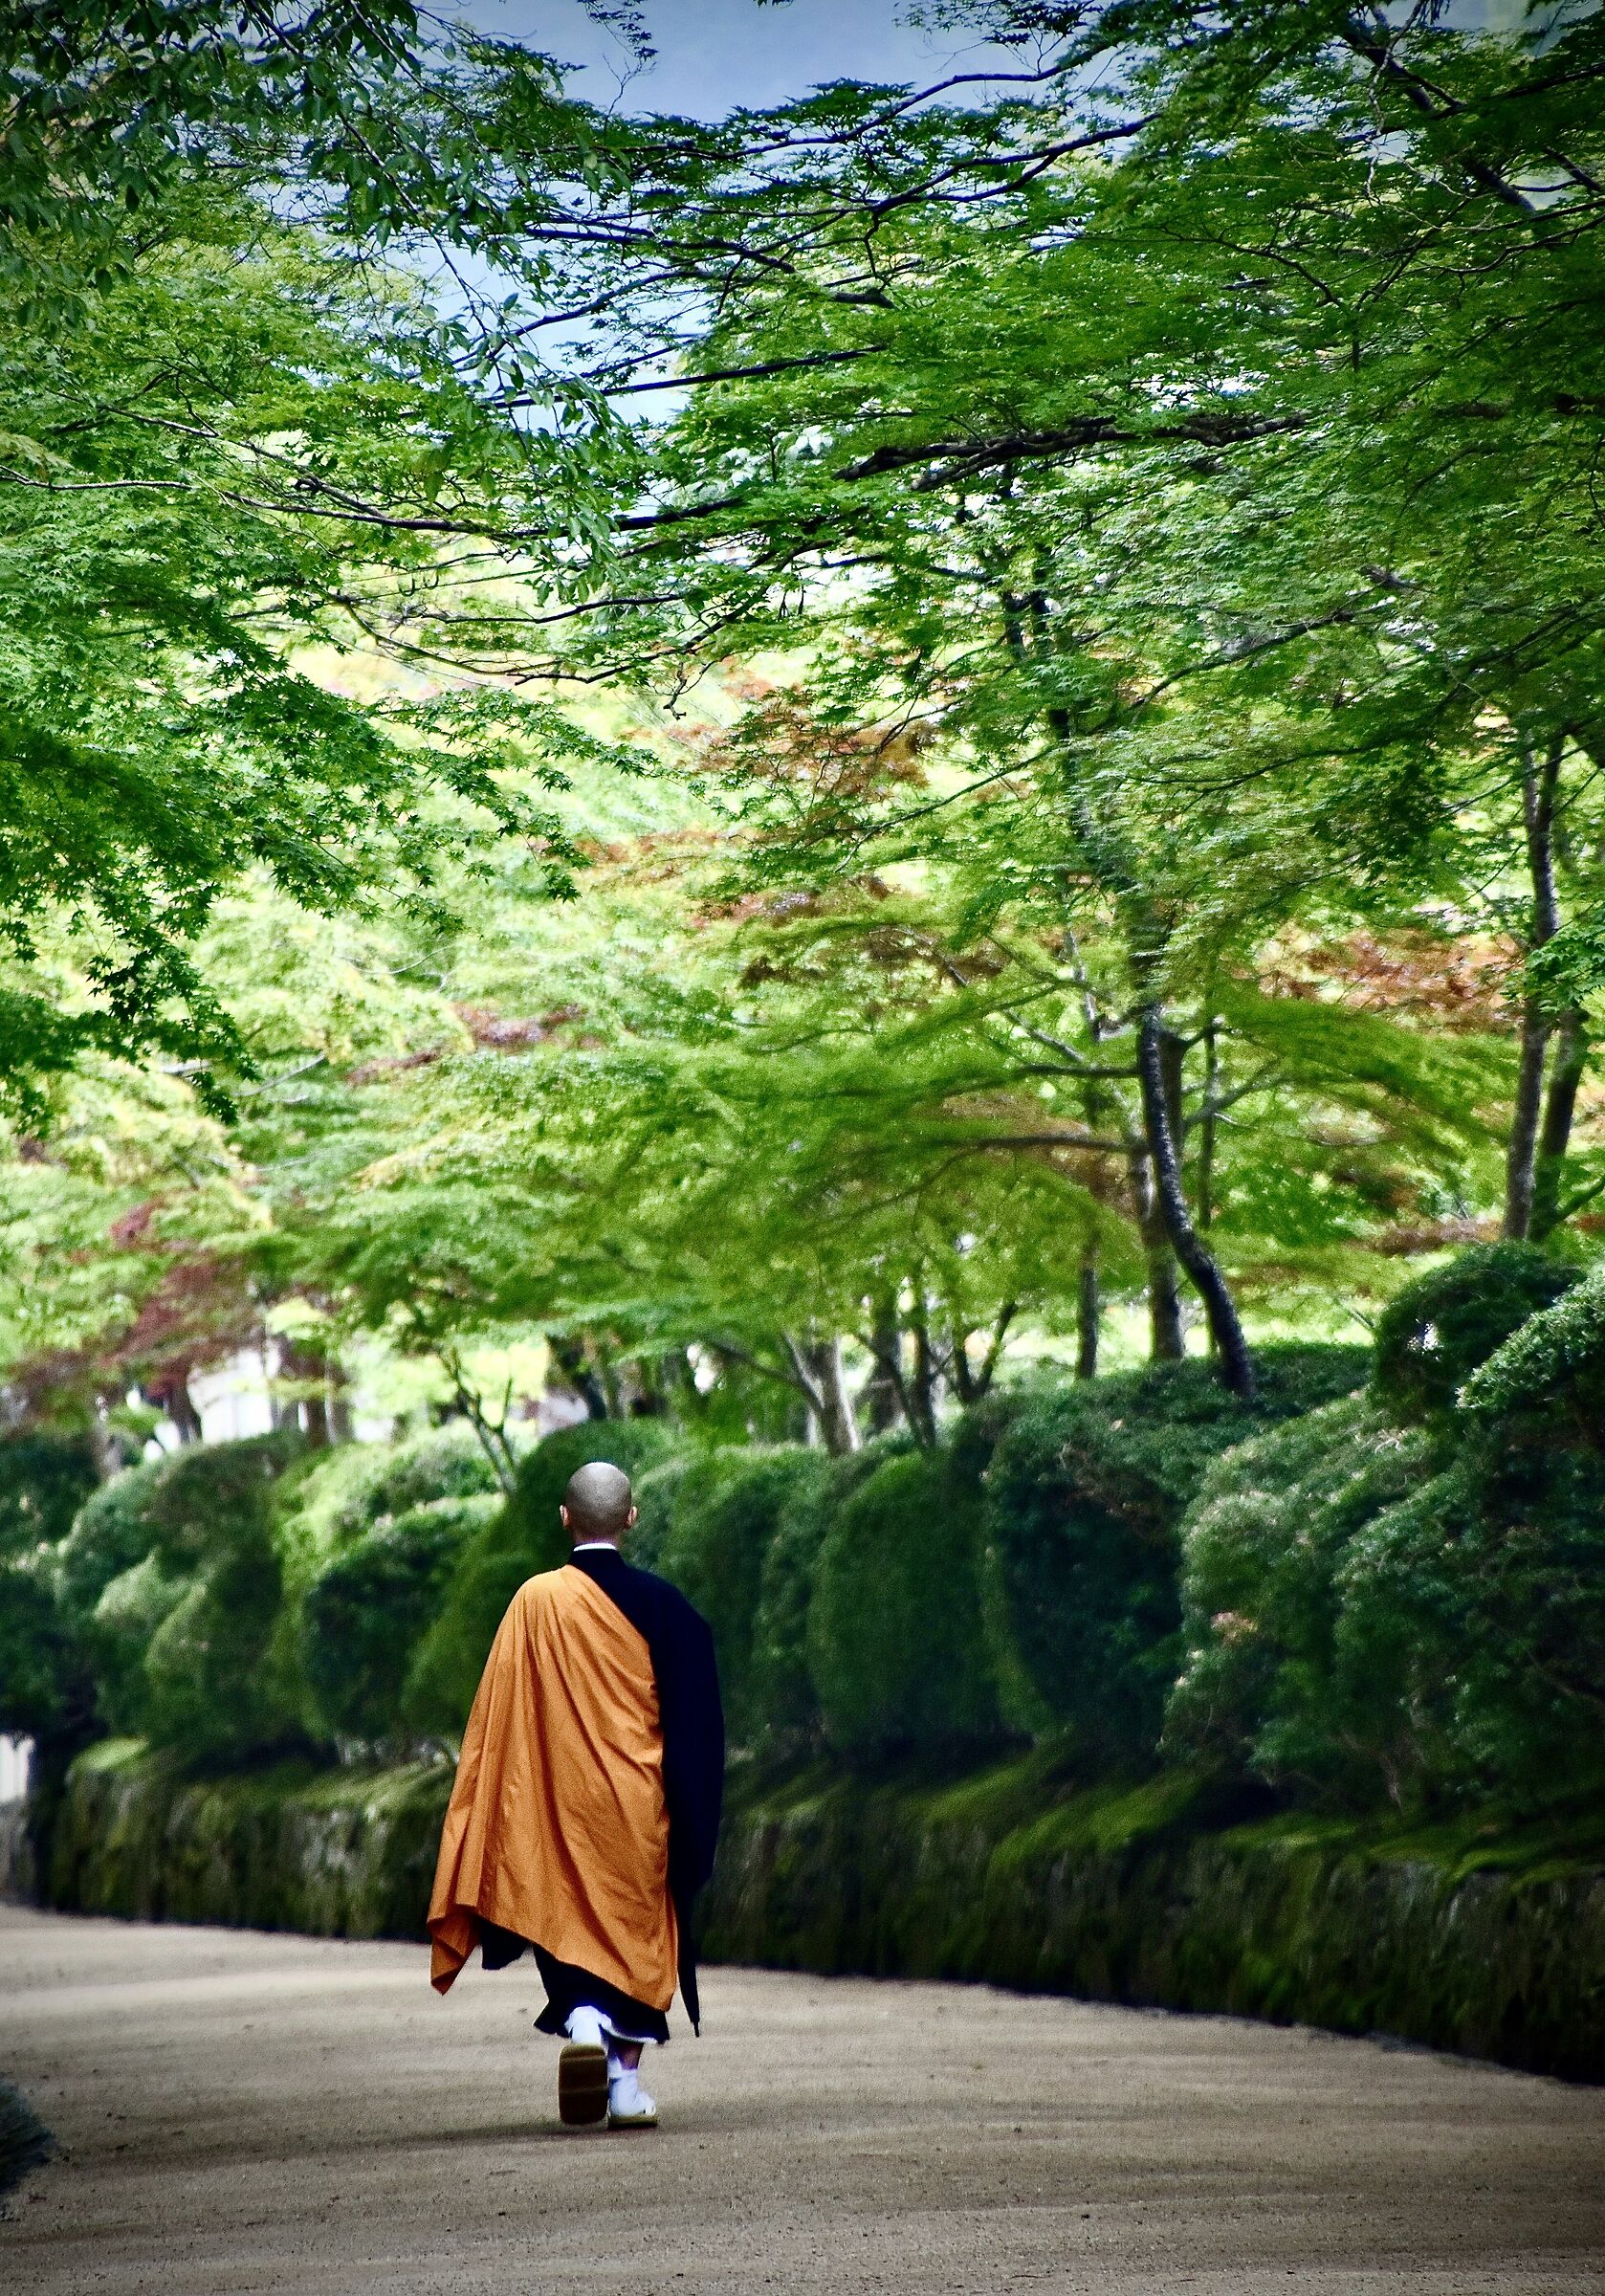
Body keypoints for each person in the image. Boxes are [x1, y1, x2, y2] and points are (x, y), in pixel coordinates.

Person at [427, 1461, 724, 2130]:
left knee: (565, 1921)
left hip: (556, 1809)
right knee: (634, 1938)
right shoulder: (667, 1609)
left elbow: (493, 1724)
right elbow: (699, 1728)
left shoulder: (533, 1602)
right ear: (631, 1518)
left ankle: (584, 2022)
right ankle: (622, 2080)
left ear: (565, 1518)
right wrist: (695, 1821)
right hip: (636, 1807)